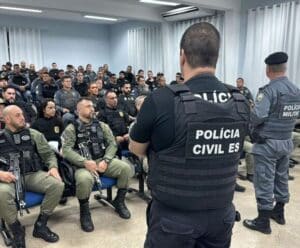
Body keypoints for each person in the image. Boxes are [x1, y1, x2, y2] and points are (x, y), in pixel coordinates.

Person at [129, 22, 250, 248]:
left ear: (182, 56)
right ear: (217, 56)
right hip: (221, 216)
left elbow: (136, 149)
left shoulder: (161, 99)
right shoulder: (240, 102)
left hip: (173, 220)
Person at [243, 52, 300, 234]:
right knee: (281, 176)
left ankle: (263, 221)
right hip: (285, 142)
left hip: (267, 144)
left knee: (264, 179)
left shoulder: (269, 91)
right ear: (284, 68)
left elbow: (258, 116)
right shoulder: (295, 90)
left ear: (268, 70)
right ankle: (279, 212)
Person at [61, 98, 132, 232]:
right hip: (82, 164)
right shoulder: (71, 128)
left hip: (102, 160)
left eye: (92, 106)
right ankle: (85, 211)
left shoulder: (102, 125)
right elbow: (66, 150)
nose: (92, 108)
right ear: (78, 110)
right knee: (84, 179)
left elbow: (112, 143)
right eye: (88, 106)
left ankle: (119, 201)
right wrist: (84, 162)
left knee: (126, 168)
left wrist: (106, 160)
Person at [0, 105, 64, 247]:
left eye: (22, 114)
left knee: (57, 185)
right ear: (7, 119)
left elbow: (48, 155)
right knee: (1, 193)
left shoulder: (33, 134)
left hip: (32, 174)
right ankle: (16, 230)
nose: (22, 117)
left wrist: (53, 167)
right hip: (8, 177)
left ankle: (41, 225)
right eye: (18, 115)